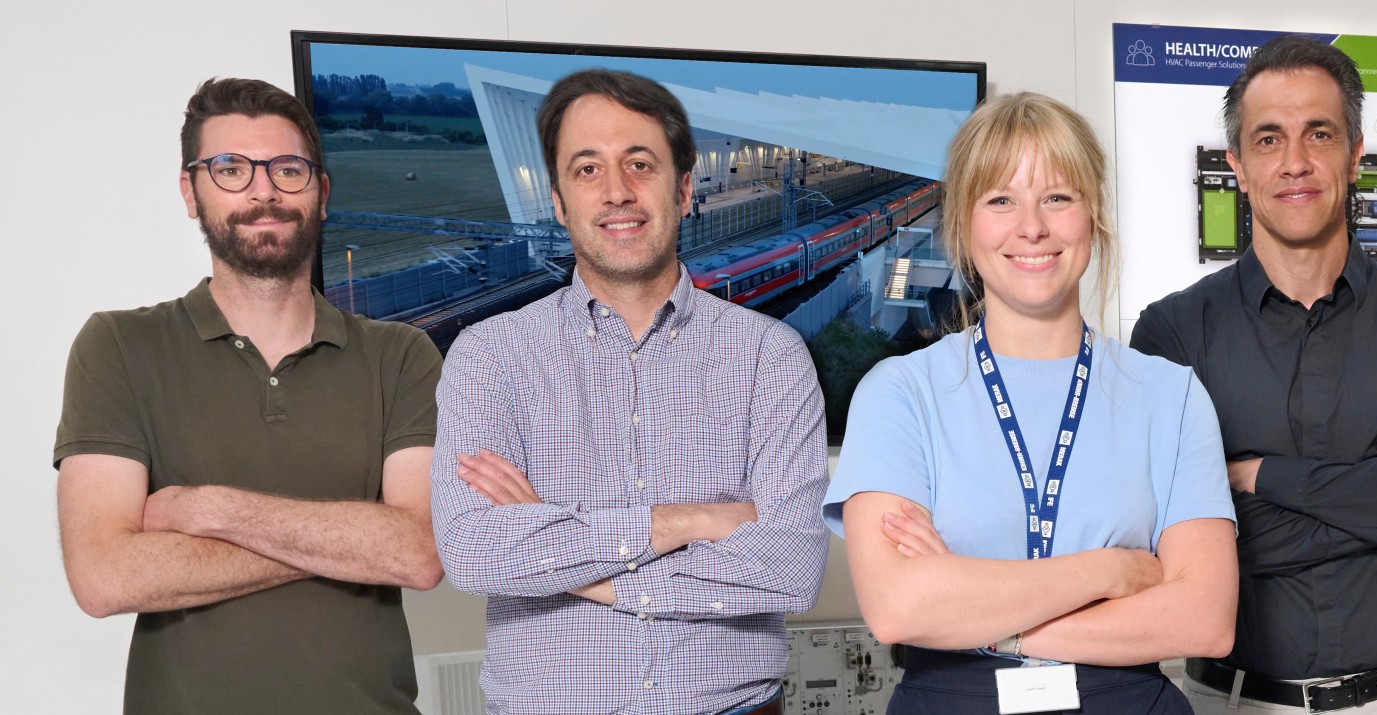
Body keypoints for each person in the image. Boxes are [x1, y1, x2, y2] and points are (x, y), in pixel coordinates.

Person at [824, 91, 1239, 714]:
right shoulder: (899, 392)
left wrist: (982, 611)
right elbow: (898, 607)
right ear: (964, 225)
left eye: (1058, 197)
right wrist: (1108, 572)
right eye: (1001, 200)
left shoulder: (1170, 396)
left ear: (1092, 214)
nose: (1032, 227)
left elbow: (1205, 620)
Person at [431, 69, 828, 715]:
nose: (617, 191)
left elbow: (790, 569)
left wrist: (565, 557)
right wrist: (688, 521)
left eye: (639, 164)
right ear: (559, 201)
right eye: (587, 169)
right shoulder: (489, 355)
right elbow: (477, 556)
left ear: (683, 188)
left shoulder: (770, 356)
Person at [1130, 36, 1377, 714]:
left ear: (1357, 153)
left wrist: (1259, 477)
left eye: (1319, 134)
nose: (1295, 163)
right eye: (1268, 140)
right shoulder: (1172, 335)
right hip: (1229, 701)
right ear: (1237, 166)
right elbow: (1165, 544)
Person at [54, 77, 444, 714]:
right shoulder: (119, 347)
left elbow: (422, 552)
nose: (263, 190)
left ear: (321, 192)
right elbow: (104, 575)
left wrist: (208, 509)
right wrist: (352, 543)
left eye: (288, 169)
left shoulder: (400, 355)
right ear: (191, 192)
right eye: (230, 168)